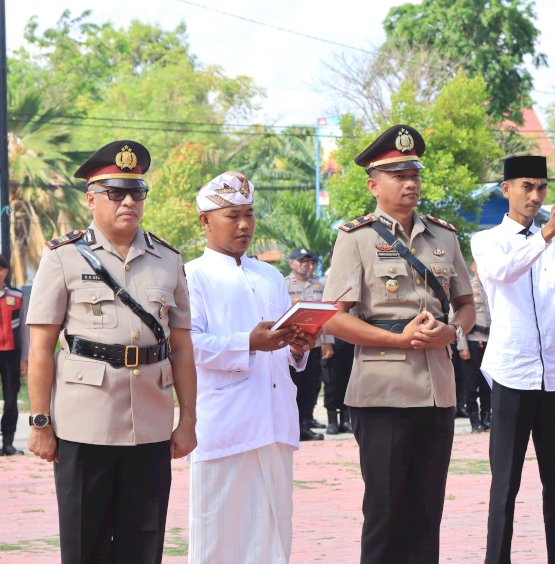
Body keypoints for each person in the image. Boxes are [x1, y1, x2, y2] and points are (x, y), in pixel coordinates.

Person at [25, 140, 197, 564]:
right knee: (86, 544)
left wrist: (188, 419)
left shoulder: (168, 259)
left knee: (144, 542)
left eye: (136, 192)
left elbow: (181, 346)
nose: (128, 202)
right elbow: (42, 347)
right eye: (115, 192)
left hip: (152, 422)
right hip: (85, 424)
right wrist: (41, 421)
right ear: (91, 199)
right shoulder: (62, 257)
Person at [322, 124, 475, 563]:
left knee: (427, 512)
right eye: (398, 176)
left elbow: (465, 305)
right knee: (386, 513)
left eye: (414, 175)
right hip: (382, 393)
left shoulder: (444, 237)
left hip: (437, 391)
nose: (411, 184)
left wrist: (454, 332)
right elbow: (335, 317)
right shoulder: (356, 238)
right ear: (374, 185)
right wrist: (400, 337)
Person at [472, 155, 555, 564]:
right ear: (506, 189)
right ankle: (497, 558)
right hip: (512, 371)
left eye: (541, 188)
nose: (535, 195)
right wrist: (546, 234)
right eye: (526, 186)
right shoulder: (487, 239)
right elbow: (502, 272)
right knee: (506, 479)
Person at [185, 171, 318, 563]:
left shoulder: (269, 274)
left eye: (249, 214)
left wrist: (298, 346)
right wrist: (248, 343)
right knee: (217, 536)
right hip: (226, 424)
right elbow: (186, 346)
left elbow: (283, 342)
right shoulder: (192, 276)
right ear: (205, 221)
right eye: (232, 216)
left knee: (274, 534)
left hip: (275, 420)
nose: (244, 225)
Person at [285, 247, 334, 439]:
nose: (307, 265)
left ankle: (305, 423)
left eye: (311, 261)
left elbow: (327, 317)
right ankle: (294, 425)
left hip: (314, 344)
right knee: (293, 386)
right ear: (291, 263)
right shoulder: (283, 284)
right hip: (292, 345)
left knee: (312, 385)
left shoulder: (320, 285)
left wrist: (327, 342)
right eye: (302, 261)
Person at [457, 261, 492, 433]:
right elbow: (458, 318)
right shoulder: (468, 288)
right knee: (471, 384)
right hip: (471, 341)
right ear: (473, 266)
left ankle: (486, 417)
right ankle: (474, 420)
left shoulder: (492, 288)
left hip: (490, 341)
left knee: (487, 383)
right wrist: (462, 346)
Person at [0, 255, 27, 455]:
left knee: (11, 400)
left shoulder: (17, 297)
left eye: (1, 269)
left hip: (11, 354)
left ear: (6, 271)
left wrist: (25, 358)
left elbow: (25, 332)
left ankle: (7, 443)